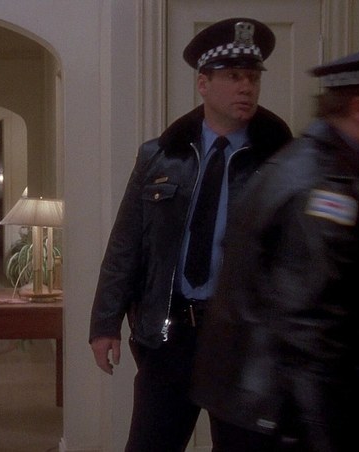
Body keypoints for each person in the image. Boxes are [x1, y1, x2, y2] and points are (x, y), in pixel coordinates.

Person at [189, 39, 359, 452]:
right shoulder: (322, 186)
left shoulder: (322, 167)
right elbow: (310, 329)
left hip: (275, 411)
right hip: (286, 418)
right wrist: (331, 438)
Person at [88, 18, 292, 451]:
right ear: (203, 83)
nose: (246, 87)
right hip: (171, 335)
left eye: (252, 77)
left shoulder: (280, 160)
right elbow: (126, 243)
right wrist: (105, 323)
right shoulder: (161, 155)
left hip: (243, 341)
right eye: (233, 76)